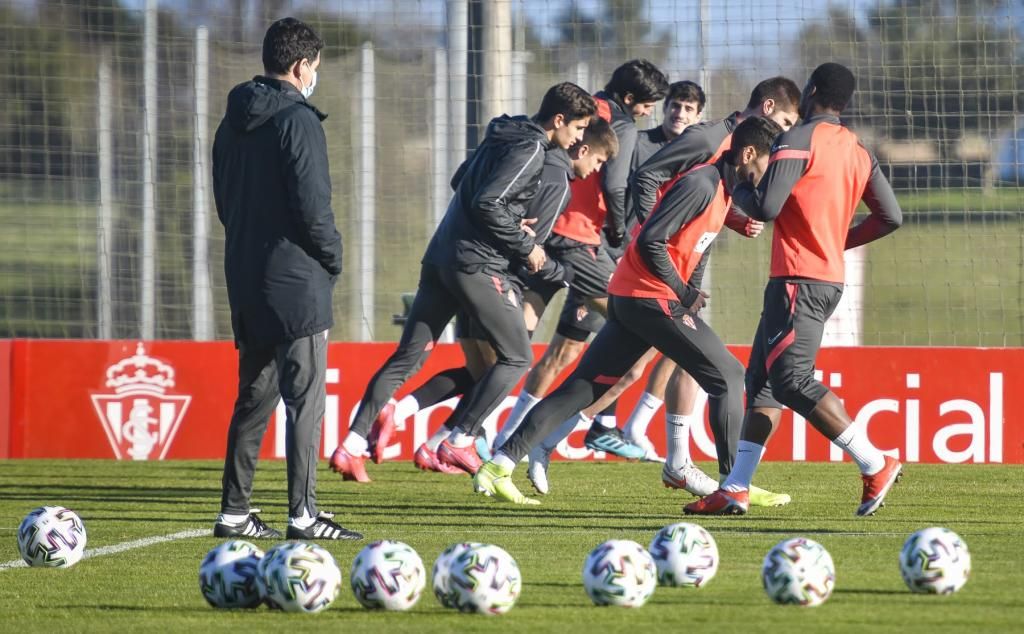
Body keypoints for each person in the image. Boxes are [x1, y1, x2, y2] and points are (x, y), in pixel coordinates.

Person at [474, 116, 784, 505]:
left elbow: (695, 247)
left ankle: (500, 464)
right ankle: (734, 483)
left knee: (582, 389)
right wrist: (680, 289)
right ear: (748, 153)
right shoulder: (701, 183)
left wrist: (692, 291)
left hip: (635, 297)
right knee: (728, 374)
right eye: (767, 165)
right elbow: (651, 240)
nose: (768, 176)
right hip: (649, 298)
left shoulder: (722, 189)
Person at [329, 82, 596, 482]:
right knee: (517, 357)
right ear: (559, 121)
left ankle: (350, 445)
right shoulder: (532, 148)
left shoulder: (504, 134)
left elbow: (463, 185)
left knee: (409, 356)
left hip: (441, 255)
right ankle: (460, 438)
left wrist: (506, 215)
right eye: (577, 129)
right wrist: (526, 243)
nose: (577, 139)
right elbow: (487, 201)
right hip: (476, 265)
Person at [685, 63, 904, 517]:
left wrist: (736, 189)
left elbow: (765, 206)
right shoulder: (859, 151)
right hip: (820, 279)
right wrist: (838, 241)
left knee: (791, 380)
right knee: (762, 382)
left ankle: (874, 462)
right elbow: (891, 217)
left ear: (812, 91)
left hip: (798, 282)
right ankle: (736, 486)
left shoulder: (798, 139)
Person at [211, 18, 361, 540]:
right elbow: (313, 205)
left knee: (254, 396)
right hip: (297, 278)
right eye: (315, 67)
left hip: (246, 273)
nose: (314, 76)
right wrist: (332, 258)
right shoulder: (298, 120)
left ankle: (234, 513)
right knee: (306, 401)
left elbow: (224, 202)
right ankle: (303, 516)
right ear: (301, 66)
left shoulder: (231, 120)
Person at [498, 60, 670, 461]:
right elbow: (614, 182)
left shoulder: (579, 111)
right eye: (647, 105)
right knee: (638, 321)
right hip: (583, 241)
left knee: (525, 339)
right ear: (629, 99)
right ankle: (596, 424)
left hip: (546, 232)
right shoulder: (621, 126)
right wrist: (618, 229)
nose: (648, 113)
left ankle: (481, 430)